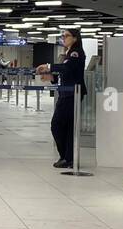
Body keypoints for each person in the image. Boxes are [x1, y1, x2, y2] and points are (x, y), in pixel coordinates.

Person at [36, 29, 86, 169]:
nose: (63, 38)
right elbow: (66, 74)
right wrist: (52, 77)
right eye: (62, 36)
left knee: (57, 125)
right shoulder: (68, 53)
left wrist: (49, 66)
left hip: (71, 95)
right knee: (67, 127)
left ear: (75, 38)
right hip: (66, 93)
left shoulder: (76, 53)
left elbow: (68, 68)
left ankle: (66, 156)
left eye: (66, 36)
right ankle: (68, 158)